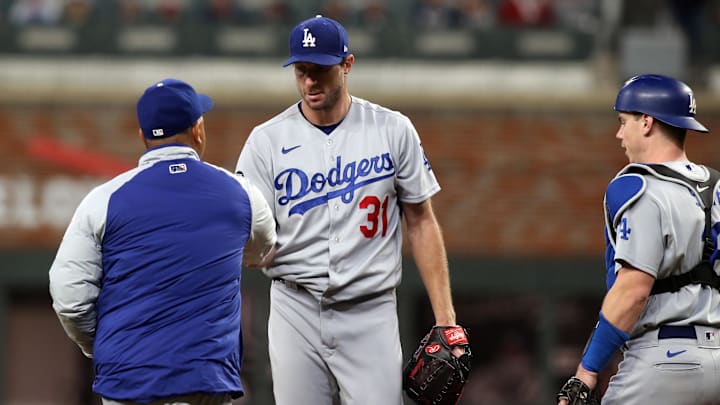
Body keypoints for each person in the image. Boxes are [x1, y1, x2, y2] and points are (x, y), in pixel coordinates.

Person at [235, 15, 464, 405]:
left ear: (347, 65)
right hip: (295, 307)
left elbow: (421, 221)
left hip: (369, 309)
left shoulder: (392, 129)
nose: (310, 81)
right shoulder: (266, 141)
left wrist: (446, 319)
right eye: (302, 70)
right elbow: (244, 228)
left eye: (321, 70)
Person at [49, 78, 277, 405]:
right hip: (206, 379)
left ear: (143, 136)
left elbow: (70, 297)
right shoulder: (240, 193)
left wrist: (105, 345)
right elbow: (261, 249)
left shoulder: (103, 200)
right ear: (198, 129)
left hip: (128, 378)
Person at [557, 74, 720, 405]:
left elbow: (633, 291)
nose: (619, 134)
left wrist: (586, 372)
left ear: (647, 122)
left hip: (665, 360)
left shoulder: (637, 186)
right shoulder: (718, 186)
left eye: (623, 121)